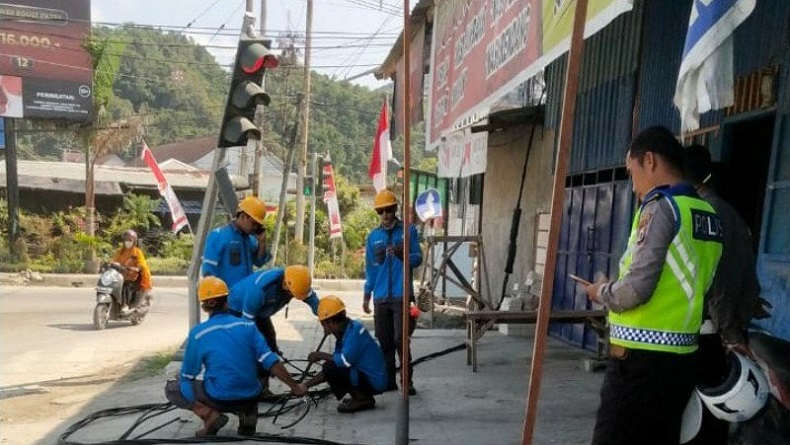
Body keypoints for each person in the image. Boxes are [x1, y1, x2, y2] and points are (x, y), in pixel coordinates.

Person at [582, 126, 724, 445]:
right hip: (683, 356)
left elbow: (637, 288)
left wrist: (602, 292)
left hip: (641, 359)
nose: (633, 186)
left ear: (649, 160)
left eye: (632, 173)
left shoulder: (662, 206)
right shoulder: (707, 214)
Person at [683, 144, 761, 445]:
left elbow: (716, 285)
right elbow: (748, 280)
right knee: (717, 420)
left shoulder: (700, 215)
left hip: (710, 335)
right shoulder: (733, 216)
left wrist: (729, 335)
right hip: (728, 331)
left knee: (698, 420)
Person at [165, 276, 307, 437]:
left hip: (219, 398)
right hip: (251, 396)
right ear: (227, 301)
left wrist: (188, 384)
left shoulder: (199, 334)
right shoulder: (248, 326)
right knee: (243, 383)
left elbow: (187, 377)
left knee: (174, 387)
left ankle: (209, 415)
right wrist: (295, 386)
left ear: (205, 306)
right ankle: (247, 417)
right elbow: (271, 360)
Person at [363, 189, 422, 394]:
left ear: (395, 209)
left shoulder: (408, 231)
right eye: (381, 211)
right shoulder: (373, 237)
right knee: (385, 340)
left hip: (401, 295)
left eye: (388, 210)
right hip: (380, 297)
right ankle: (389, 380)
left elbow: (418, 258)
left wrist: (403, 254)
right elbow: (370, 269)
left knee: (400, 339)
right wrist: (366, 295)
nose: (385, 215)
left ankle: (407, 381)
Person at [301, 295, 387, 413]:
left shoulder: (355, 332)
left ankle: (362, 398)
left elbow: (342, 361)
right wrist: (305, 386)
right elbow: (335, 361)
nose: (324, 328)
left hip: (375, 381)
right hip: (366, 375)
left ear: (330, 322)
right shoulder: (345, 331)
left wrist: (320, 355)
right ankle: (360, 396)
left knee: (332, 367)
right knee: (331, 366)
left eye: (324, 324)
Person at [228, 265, 319, 357]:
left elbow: (312, 299)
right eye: (293, 295)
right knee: (245, 341)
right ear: (285, 285)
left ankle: (273, 355)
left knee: (270, 335)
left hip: (261, 309)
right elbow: (247, 325)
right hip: (238, 305)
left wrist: (325, 317)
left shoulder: (297, 281)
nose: (293, 297)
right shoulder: (260, 289)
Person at [201, 196, 270, 289]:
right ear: (243, 216)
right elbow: (208, 270)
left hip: (246, 295)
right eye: (253, 223)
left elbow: (259, 262)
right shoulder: (218, 236)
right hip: (227, 296)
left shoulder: (250, 239)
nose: (255, 228)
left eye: (258, 225)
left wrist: (262, 242)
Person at [111, 229, 153, 314]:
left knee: (125, 286)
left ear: (134, 241)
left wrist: (137, 268)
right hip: (120, 275)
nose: (127, 242)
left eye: (130, 240)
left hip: (133, 277)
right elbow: (114, 260)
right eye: (126, 240)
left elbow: (142, 263)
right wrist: (110, 264)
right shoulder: (120, 251)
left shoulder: (137, 252)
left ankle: (125, 305)